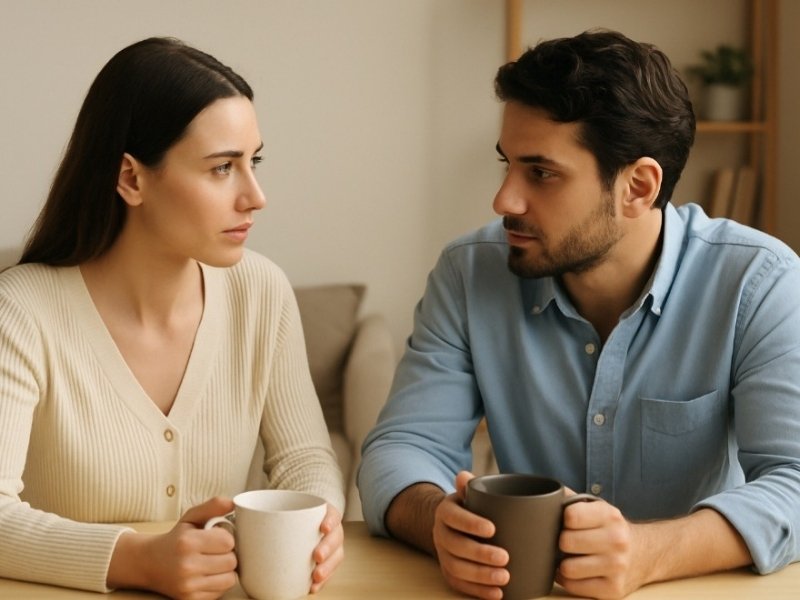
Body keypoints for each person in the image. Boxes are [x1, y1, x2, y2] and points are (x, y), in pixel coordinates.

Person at [358, 28, 800, 600]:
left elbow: (793, 480)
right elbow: (401, 449)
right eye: (507, 165)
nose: (504, 201)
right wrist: (438, 523)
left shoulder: (757, 283)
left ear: (638, 187)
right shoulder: (468, 274)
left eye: (540, 173)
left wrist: (646, 554)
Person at [0, 37, 345, 598]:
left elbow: (304, 456)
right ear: (131, 178)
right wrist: (135, 560)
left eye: (252, 162)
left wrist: (318, 517)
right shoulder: (18, 313)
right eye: (221, 168)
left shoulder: (262, 292)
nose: (255, 196)